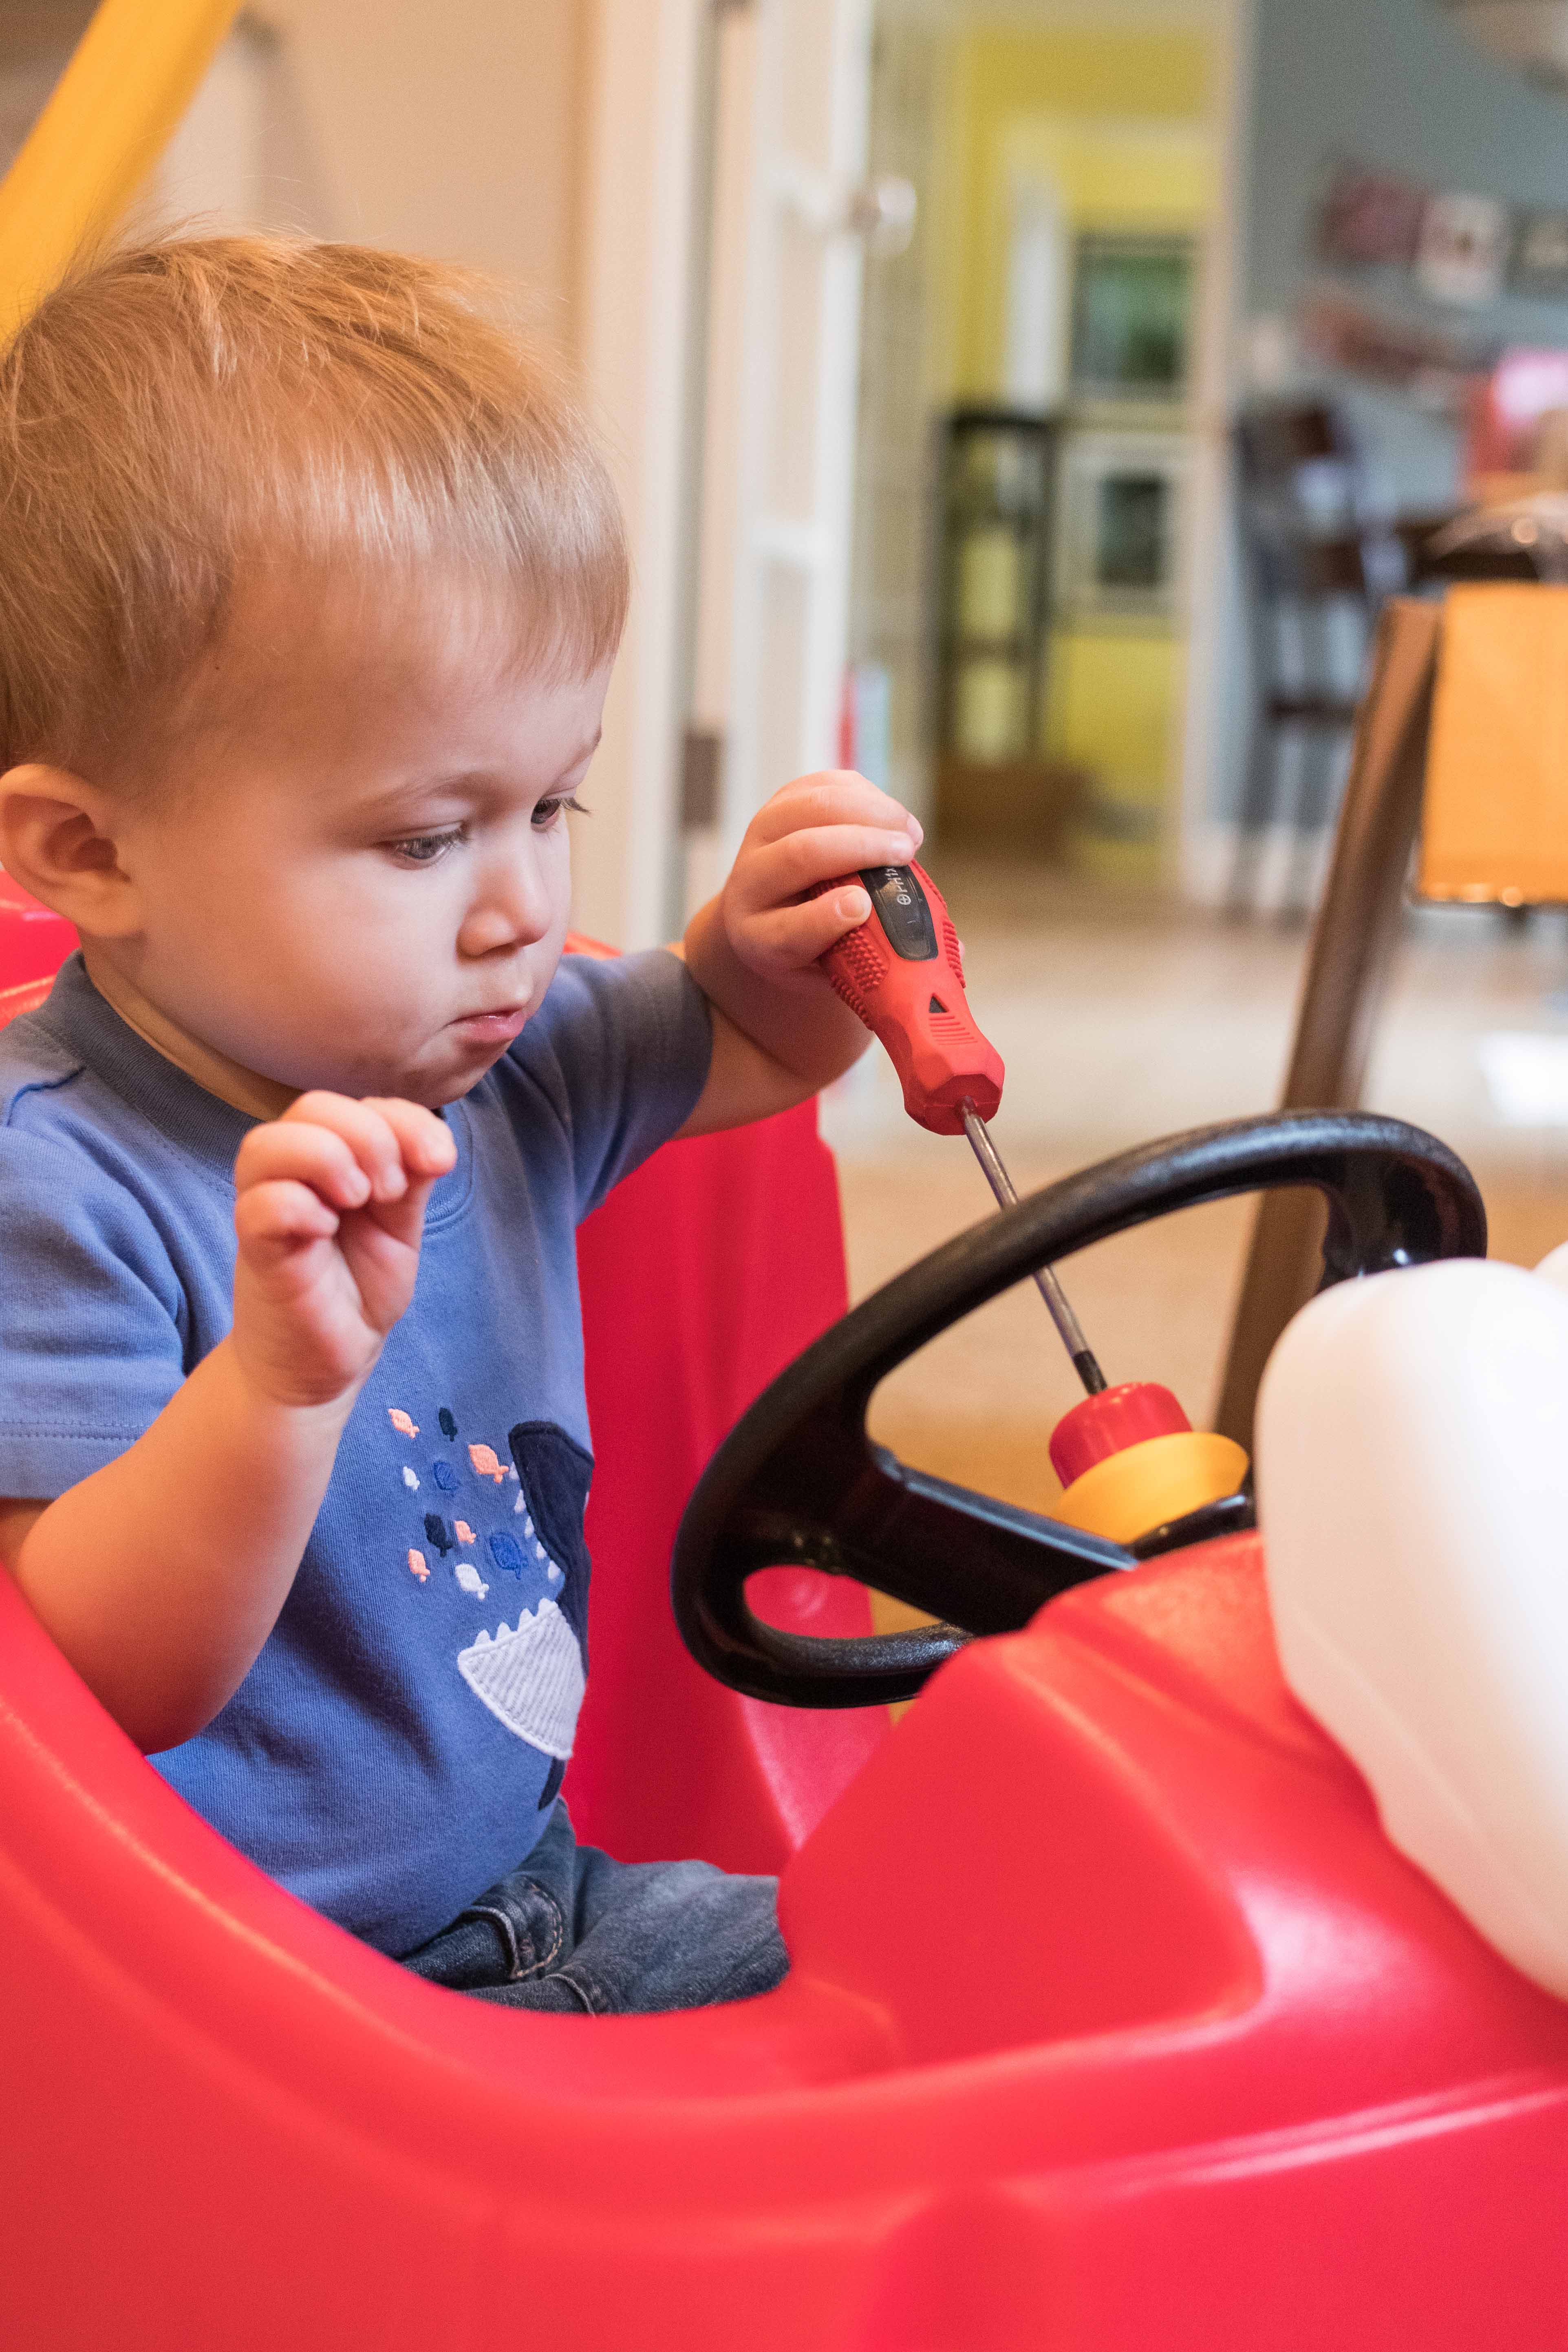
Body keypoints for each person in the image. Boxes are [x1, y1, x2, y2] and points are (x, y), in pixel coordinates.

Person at [0, 235, 921, 2014]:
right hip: (253, 2005)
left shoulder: (488, 1058)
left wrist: (766, 942)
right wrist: (273, 1383)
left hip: (539, 1887)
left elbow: (745, 1043)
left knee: (929, 1974)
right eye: (426, 838)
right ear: (90, 856)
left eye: (551, 802)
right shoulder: (58, 1180)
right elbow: (95, 1683)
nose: (516, 907)